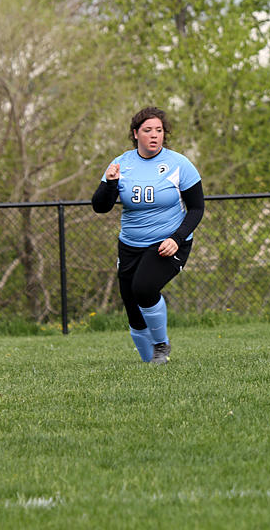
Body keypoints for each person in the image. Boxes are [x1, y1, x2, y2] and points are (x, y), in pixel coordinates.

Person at [92, 107, 204, 364]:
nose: (154, 135)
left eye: (159, 130)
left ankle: (161, 345)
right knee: (132, 308)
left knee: (143, 288)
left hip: (169, 242)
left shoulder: (179, 164)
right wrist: (110, 184)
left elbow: (197, 208)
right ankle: (149, 365)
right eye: (147, 130)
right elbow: (100, 206)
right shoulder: (121, 163)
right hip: (130, 245)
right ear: (135, 134)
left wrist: (177, 238)